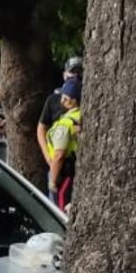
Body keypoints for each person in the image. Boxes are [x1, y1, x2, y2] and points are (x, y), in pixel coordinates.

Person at [37, 56, 83, 166]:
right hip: (58, 163)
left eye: (80, 72)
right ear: (65, 75)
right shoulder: (53, 99)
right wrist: (48, 158)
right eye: (72, 72)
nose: (76, 76)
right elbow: (41, 128)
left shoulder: (89, 100)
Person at [46, 79, 81, 211]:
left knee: (61, 211)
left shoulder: (65, 123)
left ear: (72, 100)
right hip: (75, 172)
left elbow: (59, 155)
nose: (61, 101)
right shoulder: (82, 116)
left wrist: (53, 180)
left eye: (64, 98)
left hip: (64, 173)